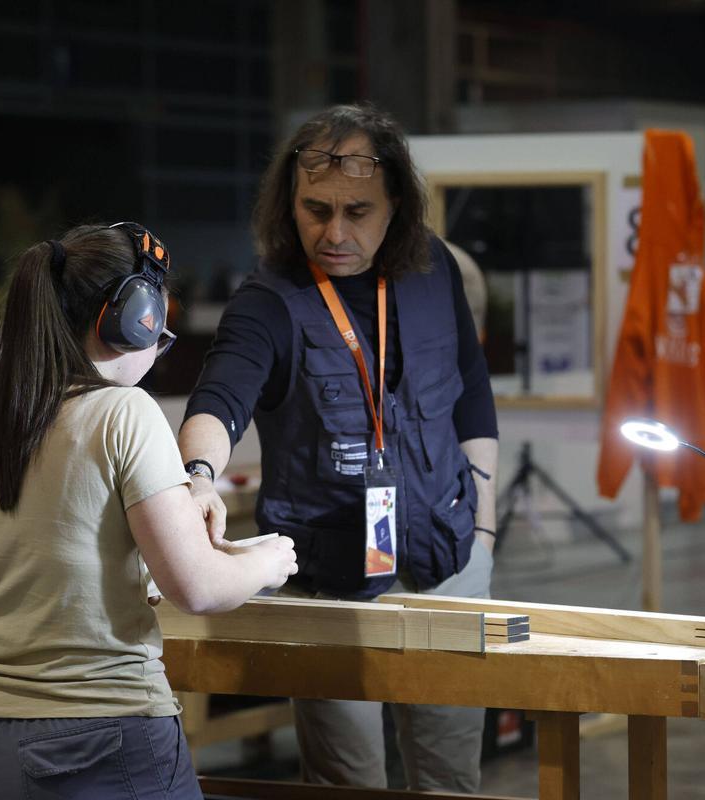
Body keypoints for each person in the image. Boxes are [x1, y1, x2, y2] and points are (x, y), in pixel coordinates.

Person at [180, 104, 499, 792]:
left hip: (448, 559)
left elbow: (472, 391)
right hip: (328, 583)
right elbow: (219, 398)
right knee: (347, 783)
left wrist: (486, 525)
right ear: (288, 203)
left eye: (358, 211)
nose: (335, 231)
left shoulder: (432, 268)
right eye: (315, 209)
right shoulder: (270, 299)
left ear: (398, 207)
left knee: (451, 779)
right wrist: (199, 475)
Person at [0, 223, 298, 799]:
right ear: (134, 319)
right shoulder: (125, 413)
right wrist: (268, 560)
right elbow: (199, 590)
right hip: (96, 737)